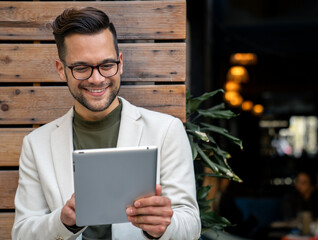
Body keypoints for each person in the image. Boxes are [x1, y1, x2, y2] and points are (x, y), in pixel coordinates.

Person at [11, 7, 201, 240]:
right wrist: (63, 221)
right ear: (62, 70)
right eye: (81, 68)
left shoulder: (167, 130)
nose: (97, 78)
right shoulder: (36, 144)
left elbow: (190, 226)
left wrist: (163, 226)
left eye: (106, 65)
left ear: (120, 63)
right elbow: (21, 234)